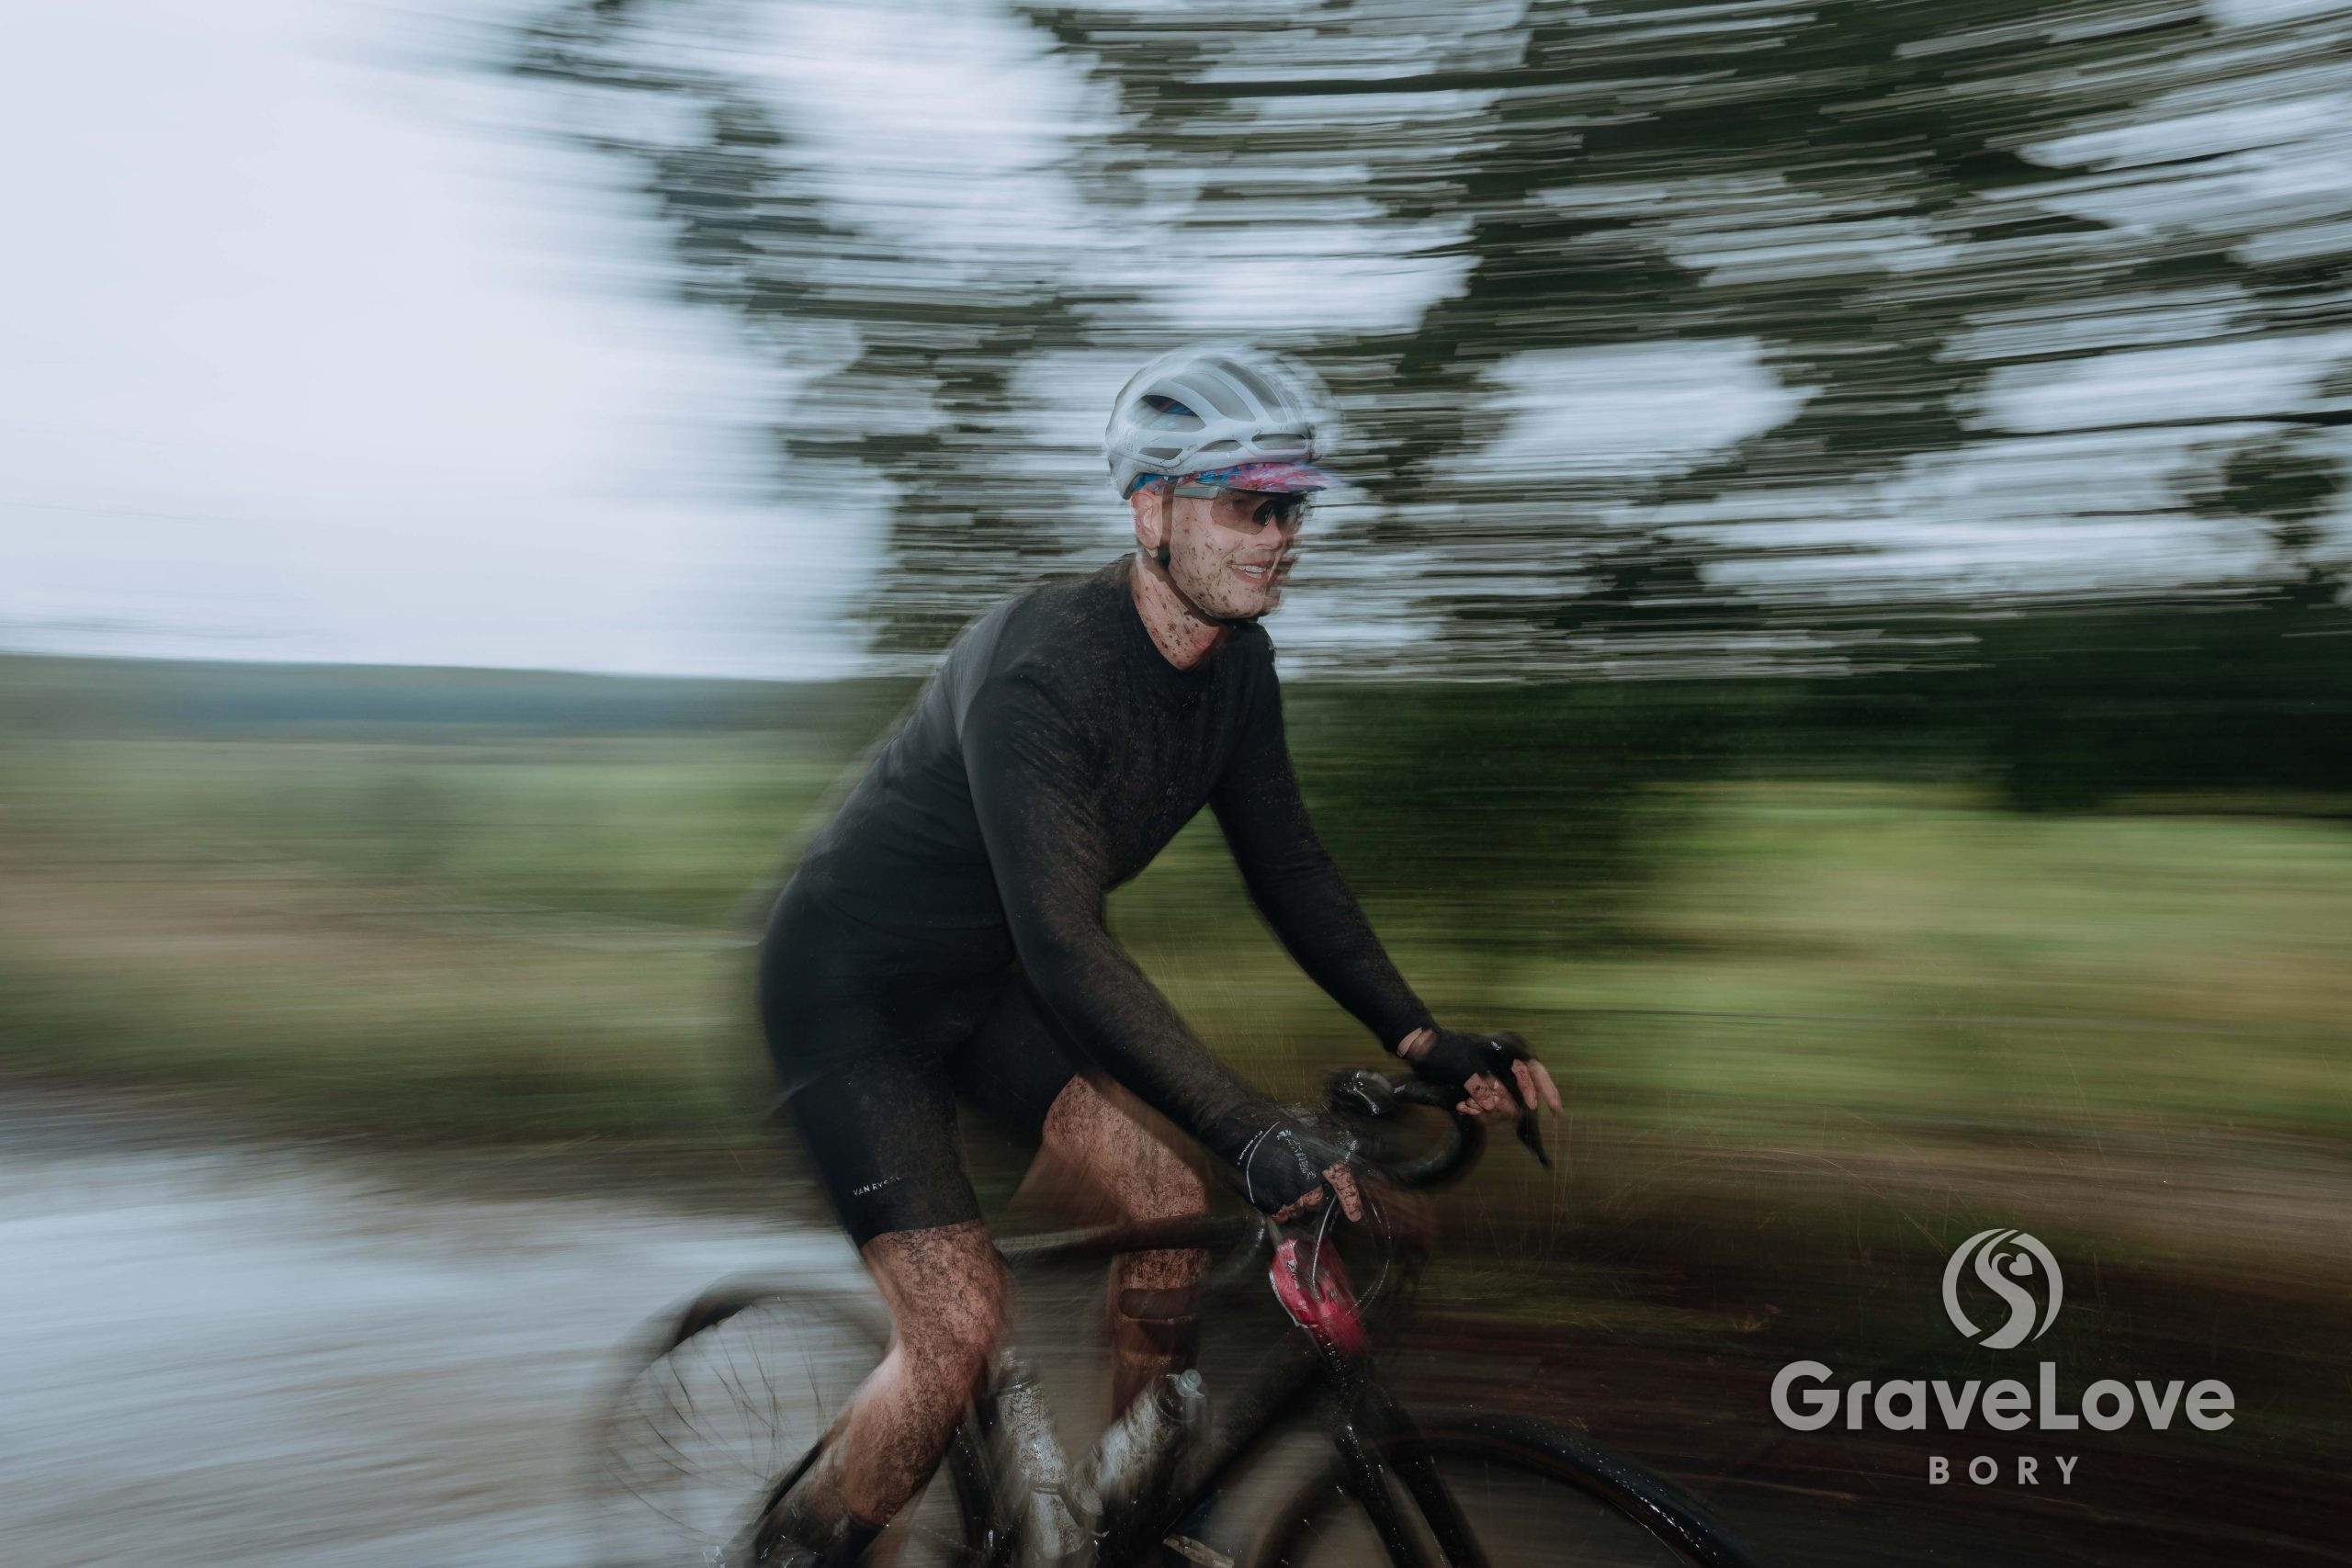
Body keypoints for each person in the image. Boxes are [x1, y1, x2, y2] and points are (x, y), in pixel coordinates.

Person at [755, 342, 1563, 1565]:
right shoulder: (1043, 671)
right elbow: (1064, 942)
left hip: (988, 990)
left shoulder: (1237, 666)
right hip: (850, 999)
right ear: (1151, 511)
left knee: (1167, 1209)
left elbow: (1290, 867)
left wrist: (1422, 1038)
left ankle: (1143, 1525)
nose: (1278, 538)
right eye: (1247, 506)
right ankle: (792, 1550)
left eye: (1290, 510)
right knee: (957, 1329)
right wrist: (1249, 1130)